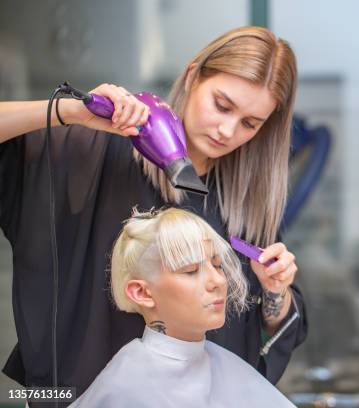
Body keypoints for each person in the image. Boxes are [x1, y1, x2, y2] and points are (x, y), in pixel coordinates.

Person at [0, 26, 307, 404]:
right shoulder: (90, 155)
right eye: (222, 105)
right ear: (193, 76)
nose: (227, 130)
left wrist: (276, 293)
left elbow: (271, 327)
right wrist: (73, 112)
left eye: (250, 123)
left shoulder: (245, 201)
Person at [70, 207, 295, 407]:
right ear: (142, 292)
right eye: (190, 270)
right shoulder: (124, 388)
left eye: (217, 265)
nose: (218, 281)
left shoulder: (227, 368)